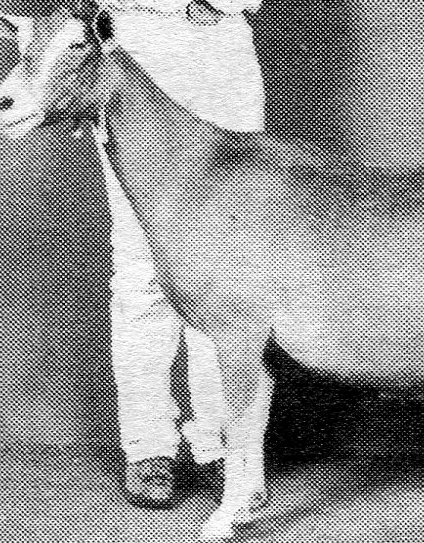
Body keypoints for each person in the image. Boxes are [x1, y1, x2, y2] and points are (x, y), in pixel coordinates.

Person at [96, 0, 264, 508]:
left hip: (218, 43)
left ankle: (222, 440)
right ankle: (148, 443)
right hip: (134, 45)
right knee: (142, 264)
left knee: (228, 269)